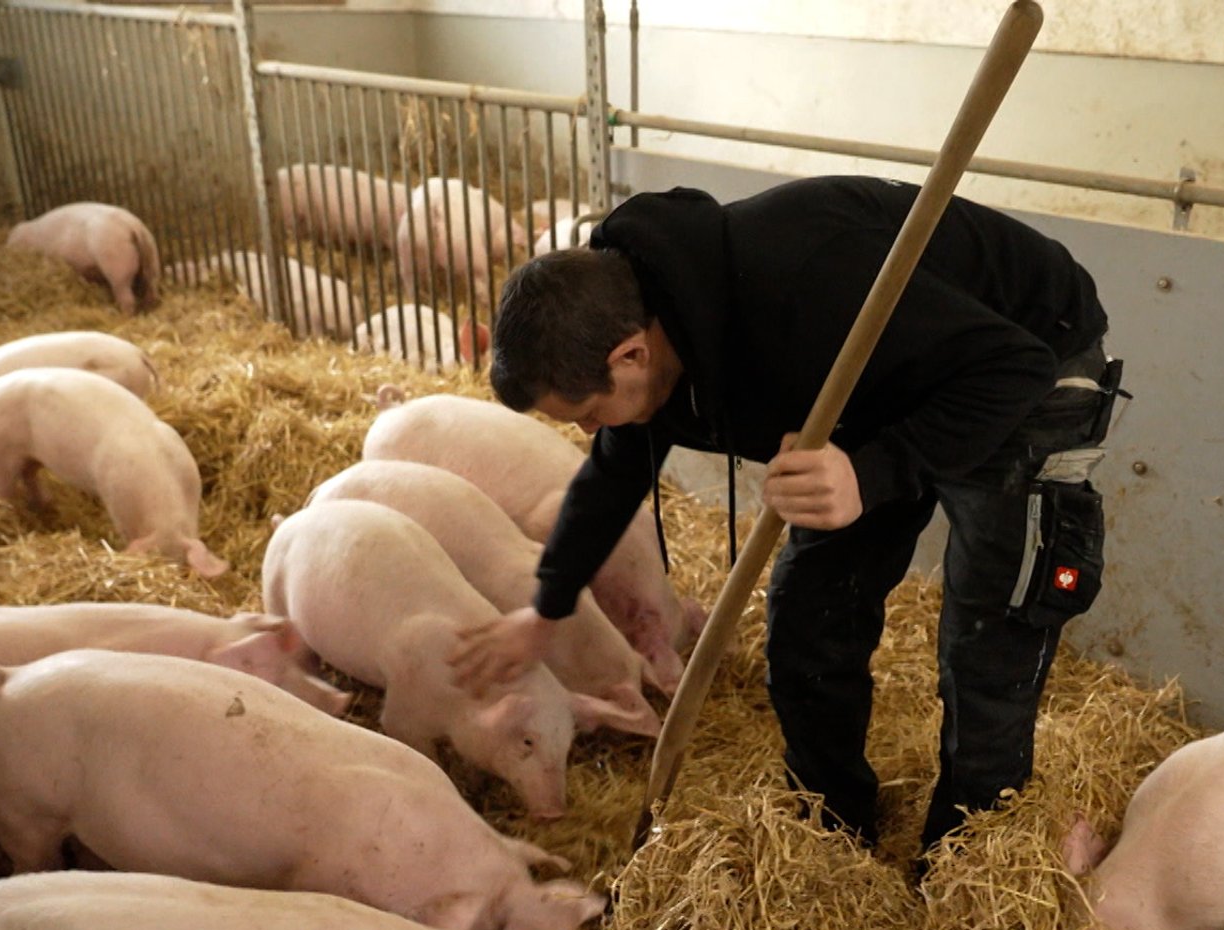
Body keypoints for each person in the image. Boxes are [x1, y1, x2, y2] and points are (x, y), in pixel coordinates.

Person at [449, 174, 1124, 857]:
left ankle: (966, 862)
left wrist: (870, 473)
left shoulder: (800, 282)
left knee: (987, 631)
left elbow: (1014, 365)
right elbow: (613, 472)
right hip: (871, 386)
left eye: (590, 414)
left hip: (1022, 362)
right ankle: (835, 834)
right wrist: (547, 607)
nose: (593, 431)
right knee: (808, 619)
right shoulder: (642, 322)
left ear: (631, 355)